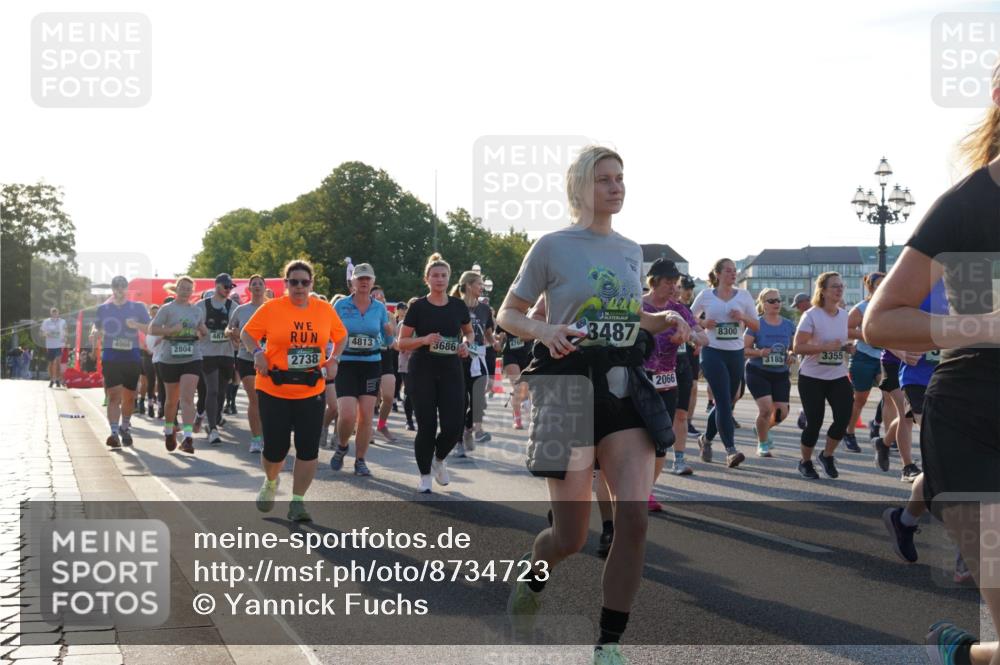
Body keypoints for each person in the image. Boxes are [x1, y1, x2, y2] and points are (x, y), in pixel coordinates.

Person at [497, 146, 686, 664]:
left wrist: (661, 320)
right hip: (566, 388)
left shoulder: (631, 250)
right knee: (570, 537)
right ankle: (533, 580)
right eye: (605, 179)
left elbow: (624, 319)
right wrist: (545, 328)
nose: (616, 186)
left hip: (623, 386)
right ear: (581, 186)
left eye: (620, 178)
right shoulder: (552, 246)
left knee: (634, 519)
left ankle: (608, 645)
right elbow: (508, 314)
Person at [865, 63, 1000, 663]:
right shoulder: (969, 205)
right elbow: (881, 320)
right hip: (974, 419)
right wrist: (984, 325)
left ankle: (965, 654)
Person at [241, 259, 347, 521]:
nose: (299, 287)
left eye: (304, 282)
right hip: (273, 387)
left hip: (311, 389)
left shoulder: (324, 310)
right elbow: (246, 333)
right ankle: (270, 481)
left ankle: (298, 502)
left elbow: (341, 336)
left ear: (311, 284)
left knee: (308, 449)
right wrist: (257, 353)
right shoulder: (272, 308)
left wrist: (334, 359)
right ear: (286, 284)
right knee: (275, 449)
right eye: (293, 282)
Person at [398, 254, 474, 493]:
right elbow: (402, 342)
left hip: (451, 369)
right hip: (423, 370)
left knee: (454, 425)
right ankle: (424, 476)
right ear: (427, 279)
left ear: (448, 278)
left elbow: (469, 333)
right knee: (427, 426)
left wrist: (466, 344)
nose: (440, 279)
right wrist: (424, 339)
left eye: (443, 276)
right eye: (435, 275)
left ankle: (439, 459)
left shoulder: (458, 305)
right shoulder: (418, 306)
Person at [642, 258, 705, 492]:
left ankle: (648, 491)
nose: (673, 287)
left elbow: (703, 337)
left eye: (675, 282)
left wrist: (690, 338)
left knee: (661, 437)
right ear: (654, 281)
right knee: (639, 437)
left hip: (668, 378)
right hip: (641, 377)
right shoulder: (638, 307)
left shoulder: (679, 309)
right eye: (669, 282)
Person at [690, 258, 759, 467]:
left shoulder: (745, 296)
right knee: (721, 400)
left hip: (735, 353)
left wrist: (743, 317)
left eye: (734, 270)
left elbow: (756, 326)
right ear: (718, 274)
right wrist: (703, 322)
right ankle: (731, 450)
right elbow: (688, 317)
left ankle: (706, 439)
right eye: (728, 270)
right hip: (712, 352)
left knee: (727, 402)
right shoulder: (706, 295)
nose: (732, 273)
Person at [791, 272, 856, 479]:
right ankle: (805, 462)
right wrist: (822, 347)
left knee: (844, 418)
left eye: (841, 286)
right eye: (834, 286)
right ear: (823, 290)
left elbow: (842, 343)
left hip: (837, 374)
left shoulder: (844, 315)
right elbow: (797, 347)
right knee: (814, 422)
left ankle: (827, 455)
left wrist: (848, 348)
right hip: (812, 377)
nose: (839, 290)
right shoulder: (811, 315)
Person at [329, 264, 392, 477]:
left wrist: (389, 334)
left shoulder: (380, 308)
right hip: (346, 363)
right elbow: (330, 332)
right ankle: (343, 445)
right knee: (346, 415)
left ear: (373, 282)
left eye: (368, 279)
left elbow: (388, 340)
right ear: (353, 282)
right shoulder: (340, 305)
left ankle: (360, 460)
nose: (364, 282)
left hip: (371, 363)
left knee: (365, 415)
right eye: (360, 279)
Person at [149, 276, 208, 454]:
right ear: (177, 289)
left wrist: (202, 332)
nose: (185, 291)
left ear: (192, 291)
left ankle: (188, 438)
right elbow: (152, 329)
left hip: (192, 357)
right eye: (182, 287)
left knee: (188, 398)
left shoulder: (197, 310)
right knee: (172, 400)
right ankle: (169, 431)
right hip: (170, 358)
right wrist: (170, 330)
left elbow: (202, 329)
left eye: (189, 288)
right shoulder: (167, 309)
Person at [92, 276, 151, 448]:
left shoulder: (138, 307)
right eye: (116, 286)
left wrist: (136, 325)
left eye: (122, 286)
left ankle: (125, 426)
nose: (119, 289)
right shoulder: (103, 308)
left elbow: (149, 328)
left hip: (131, 356)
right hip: (111, 356)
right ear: (112, 289)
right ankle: (114, 432)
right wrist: (96, 332)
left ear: (126, 289)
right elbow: (97, 325)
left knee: (129, 397)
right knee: (114, 396)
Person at [743, 288, 796, 457]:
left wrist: (791, 355)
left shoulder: (788, 324)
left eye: (778, 300)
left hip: (780, 373)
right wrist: (760, 353)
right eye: (771, 301)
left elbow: (794, 348)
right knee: (766, 409)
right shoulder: (756, 324)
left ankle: (761, 427)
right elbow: (743, 349)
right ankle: (763, 443)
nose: (776, 304)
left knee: (782, 413)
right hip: (758, 371)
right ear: (763, 304)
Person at [451, 271, 495, 456]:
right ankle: (458, 441)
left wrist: (497, 342)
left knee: (479, 401)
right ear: (469, 285)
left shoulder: (485, 309)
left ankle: (469, 428)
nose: (482, 287)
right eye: (479, 284)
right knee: (462, 401)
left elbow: (489, 336)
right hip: (458, 359)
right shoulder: (453, 306)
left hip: (479, 359)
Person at [844, 273, 886, 452]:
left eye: (885, 283)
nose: (882, 287)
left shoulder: (892, 306)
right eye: (878, 284)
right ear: (870, 287)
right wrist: (867, 336)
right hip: (864, 357)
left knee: (891, 395)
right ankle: (849, 432)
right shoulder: (862, 307)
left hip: (886, 357)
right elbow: (846, 329)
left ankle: (881, 429)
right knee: (860, 399)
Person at [196, 274, 238, 446]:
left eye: (230, 287)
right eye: (226, 286)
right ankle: (212, 428)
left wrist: (236, 334)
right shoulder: (202, 305)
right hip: (207, 354)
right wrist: (201, 330)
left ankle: (215, 417)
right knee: (212, 390)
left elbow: (239, 326)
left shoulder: (233, 306)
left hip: (227, 354)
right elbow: (194, 324)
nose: (229, 290)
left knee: (221, 392)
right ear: (217, 286)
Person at [229, 275, 268, 454]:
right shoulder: (241, 310)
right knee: (255, 398)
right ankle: (256, 438)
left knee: (269, 401)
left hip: (271, 360)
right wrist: (233, 332)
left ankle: (268, 434)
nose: (257, 286)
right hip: (246, 358)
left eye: (260, 283)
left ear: (265, 287)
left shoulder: (272, 308)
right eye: (254, 284)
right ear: (249, 289)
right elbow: (228, 329)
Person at [371, 285, 399, 443]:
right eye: (375, 295)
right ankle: (365, 427)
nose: (379, 297)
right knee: (369, 397)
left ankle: (381, 425)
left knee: (388, 396)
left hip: (386, 357)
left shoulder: (389, 315)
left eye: (381, 295)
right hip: (369, 357)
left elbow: (392, 339)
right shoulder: (366, 313)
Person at [396, 299, 418, 431]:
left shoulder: (426, 324)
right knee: (409, 392)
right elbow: (400, 344)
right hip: (406, 363)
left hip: (422, 362)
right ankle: (409, 420)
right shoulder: (403, 324)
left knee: (419, 392)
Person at [138, 303, 159, 417]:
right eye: (153, 312)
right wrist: (147, 348)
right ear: (150, 313)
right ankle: (142, 401)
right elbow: (140, 340)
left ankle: (154, 403)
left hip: (158, 356)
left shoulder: (161, 325)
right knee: (146, 381)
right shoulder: (145, 325)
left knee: (157, 381)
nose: (155, 314)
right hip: (146, 356)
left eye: (157, 312)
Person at [41, 307, 67, 388]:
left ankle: (58, 380)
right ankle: (52, 379)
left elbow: (66, 330)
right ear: (51, 313)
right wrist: (46, 334)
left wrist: (65, 338)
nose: (55, 314)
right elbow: (42, 332)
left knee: (58, 363)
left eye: (56, 312)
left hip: (59, 345)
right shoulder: (46, 321)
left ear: (58, 313)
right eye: (53, 312)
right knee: (51, 363)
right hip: (50, 345)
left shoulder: (63, 321)